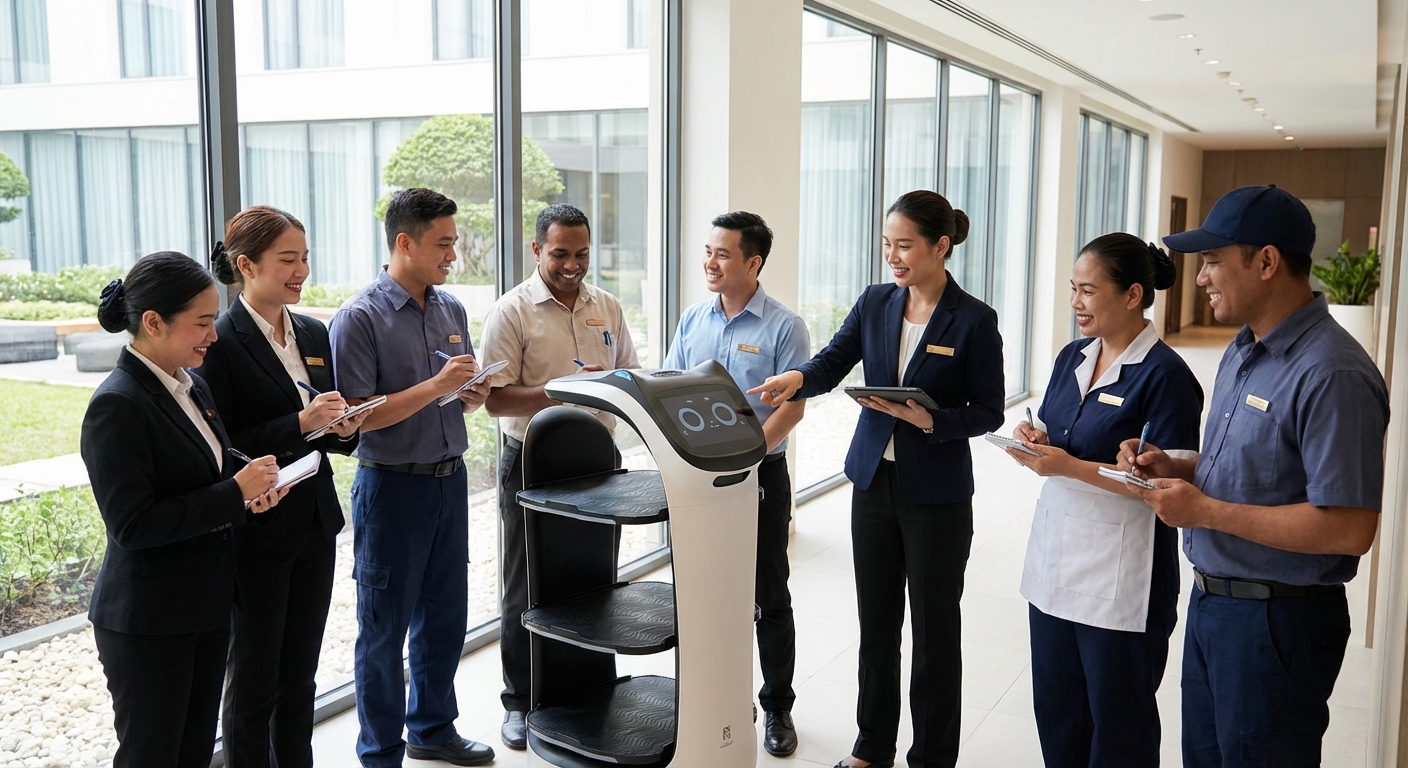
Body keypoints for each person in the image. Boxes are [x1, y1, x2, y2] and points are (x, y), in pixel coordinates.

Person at [1118, 185, 1389, 768]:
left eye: (1214, 261)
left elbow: (1348, 527)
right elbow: (1254, 468)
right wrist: (1177, 465)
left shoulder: (1332, 372)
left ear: (1266, 262)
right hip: (1214, 605)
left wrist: (1205, 512)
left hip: (1278, 624)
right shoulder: (1245, 350)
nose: (1200, 278)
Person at [751, 190, 1006, 768]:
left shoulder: (974, 320)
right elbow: (833, 360)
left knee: (935, 633)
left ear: (941, 247)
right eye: (887, 244)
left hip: (936, 495)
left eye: (905, 245)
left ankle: (932, 757)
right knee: (876, 624)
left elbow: (990, 410)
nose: (892, 256)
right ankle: (872, 748)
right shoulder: (875, 302)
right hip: (871, 484)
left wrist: (933, 419)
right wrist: (795, 380)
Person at [82, 251, 288, 768]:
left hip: (204, 604)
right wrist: (232, 494)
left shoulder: (190, 383)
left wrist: (249, 493)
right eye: (201, 323)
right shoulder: (118, 405)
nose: (213, 335)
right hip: (149, 619)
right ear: (153, 322)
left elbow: (210, 475)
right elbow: (133, 524)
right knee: (153, 754)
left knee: (194, 750)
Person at [1005, 233, 1203, 767]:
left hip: (1122, 582)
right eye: (1073, 289)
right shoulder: (1073, 356)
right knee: (1057, 709)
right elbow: (1053, 428)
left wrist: (1067, 466)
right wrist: (1036, 439)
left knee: (1118, 726)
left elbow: (1168, 487)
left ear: (1133, 294)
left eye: (1088, 291)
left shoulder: (1166, 376)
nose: (1075, 303)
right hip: (1055, 562)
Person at [329, 188, 495, 768]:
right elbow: (356, 419)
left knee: (445, 618)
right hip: (391, 487)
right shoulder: (359, 317)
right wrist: (435, 387)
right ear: (405, 243)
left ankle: (432, 729)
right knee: (383, 630)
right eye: (443, 244)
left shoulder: (450, 309)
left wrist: (471, 394)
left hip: (449, 483)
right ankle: (379, 754)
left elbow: (458, 398)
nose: (454, 255)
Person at [198, 205, 368, 768]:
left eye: (305, 259)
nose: (301, 272)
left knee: (300, 676)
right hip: (259, 529)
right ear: (245, 265)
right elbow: (224, 444)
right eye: (287, 260)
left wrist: (343, 427)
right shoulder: (218, 342)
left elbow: (325, 434)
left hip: (314, 524)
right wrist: (300, 423)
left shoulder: (313, 332)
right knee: (253, 681)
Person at [479, 202, 640, 749]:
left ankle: (590, 689)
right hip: (532, 462)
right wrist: (560, 390)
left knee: (596, 584)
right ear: (535, 250)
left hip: (598, 463)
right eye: (560, 254)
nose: (573, 265)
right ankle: (519, 702)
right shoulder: (512, 311)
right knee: (526, 586)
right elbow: (494, 400)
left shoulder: (608, 306)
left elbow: (630, 375)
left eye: (582, 254)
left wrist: (615, 382)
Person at [662, 211, 810, 757]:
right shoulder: (693, 318)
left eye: (723, 254)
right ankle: (715, 704)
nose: (710, 262)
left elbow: (791, 411)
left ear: (753, 262)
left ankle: (777, 707)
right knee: (705, 596)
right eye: (708, 251)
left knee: (768, 594)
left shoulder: (783, 326)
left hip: (760, 475)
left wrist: (749, 460)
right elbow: (672, 384)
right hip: (699, 482)